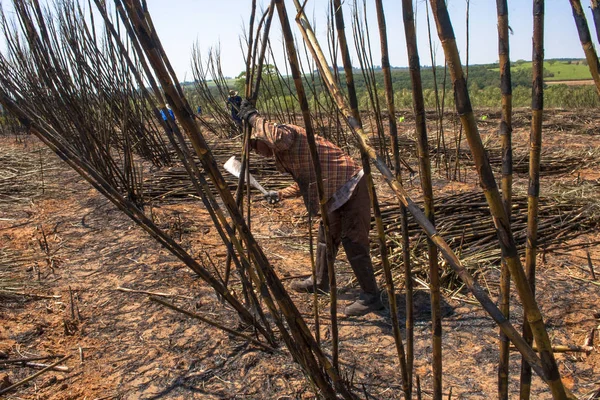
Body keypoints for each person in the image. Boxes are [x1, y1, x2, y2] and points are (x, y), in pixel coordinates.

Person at [236, 100, 383, 316]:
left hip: (350, 185)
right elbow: (306, 179)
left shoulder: (285, 134)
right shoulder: (285, 153)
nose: (256, 153)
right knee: (326, 236)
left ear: (260, 136)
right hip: (332, 192)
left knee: (353, 241)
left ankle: (372, 297)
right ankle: (320, 281)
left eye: (254, 147)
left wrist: (252, 117)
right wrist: (279, 194)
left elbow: (274, 136)